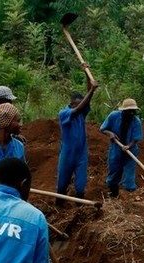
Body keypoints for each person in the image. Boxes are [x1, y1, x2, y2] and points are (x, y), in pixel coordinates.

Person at [57, 69, 98, 202]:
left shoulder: (81, 114)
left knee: (80, 185)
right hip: (68, 153)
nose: (82, 106)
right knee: (62, 183)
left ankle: (79, 208)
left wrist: (87, 74)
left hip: (81, 154)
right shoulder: (64, 113)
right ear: (72, 104)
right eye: (79, 104)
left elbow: (86, 102)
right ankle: (59, 206)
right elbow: (80, 107)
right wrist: (92, 90)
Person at [100, 98, 143, 197]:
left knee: (129, 178)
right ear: (123, 111)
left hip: (131, 151)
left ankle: (130, 196)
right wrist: (110, 133)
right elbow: (103, 129)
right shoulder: (114, 116)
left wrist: (128, 146)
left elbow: (136, 138)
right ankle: (113, 193)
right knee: (114, 172)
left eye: (133, 111)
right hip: (116, 149)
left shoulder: (136, 122)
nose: (132, 113)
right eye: (129, 111)